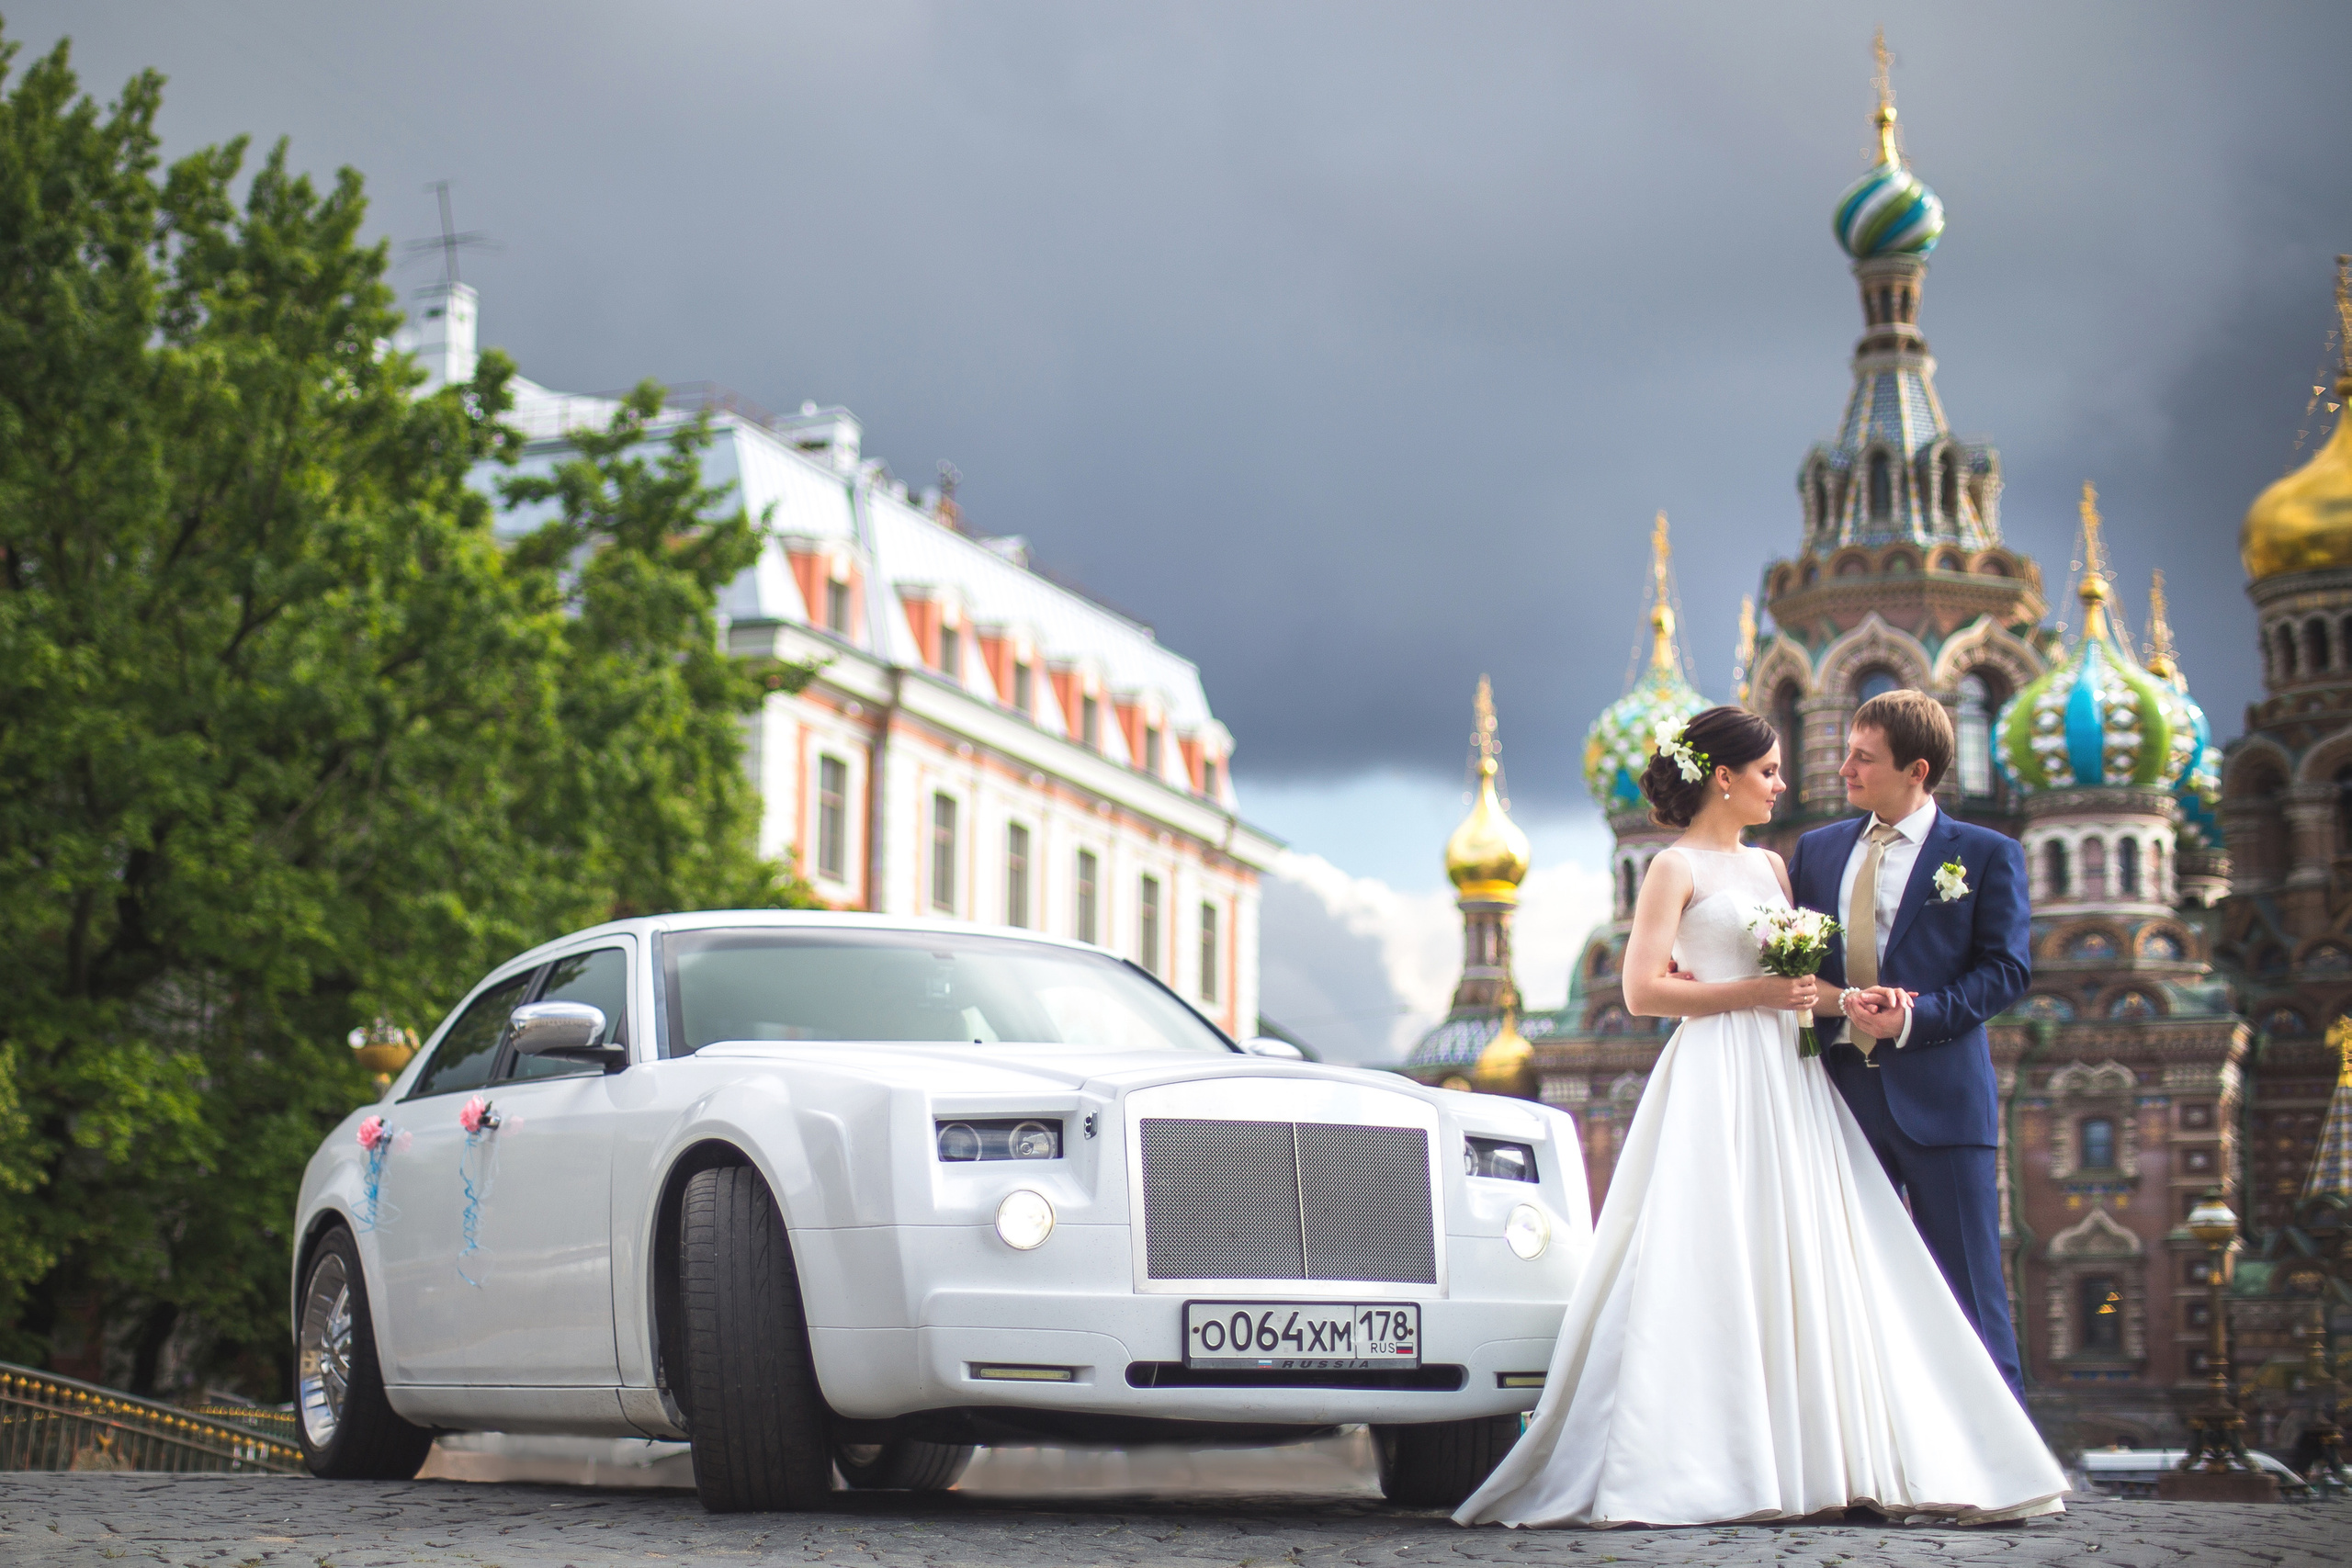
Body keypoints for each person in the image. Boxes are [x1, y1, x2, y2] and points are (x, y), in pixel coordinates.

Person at [1454, 705, 2064, 1529]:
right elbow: (1646, 991)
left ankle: (1977, 1463)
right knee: (1721, 1254)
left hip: (1807, 1080)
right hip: (1731, 1074)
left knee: (1855, 1274)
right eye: (1775, 771)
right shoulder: (1738, 861)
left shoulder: (1784, 867)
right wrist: (1759, 995)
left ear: (1916, 770)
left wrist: (1875, 1005)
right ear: (1724, 776)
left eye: (1858, 758)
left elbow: (1841, 980)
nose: (1813, 779)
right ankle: (1722, 1455)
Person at [1791, 689, 2032, 1402]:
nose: (1846, 770)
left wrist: (1917, 1017)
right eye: (1848, 754)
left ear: (1916, 770)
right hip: (1838, 1098)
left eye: (1864, 758)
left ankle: (2003, 1473)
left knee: (1969, 1292)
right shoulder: (1818, 849)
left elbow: (2007, 969)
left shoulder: (1988, 854)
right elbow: (1792, 958)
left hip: (1942, 1102)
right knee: (1852, 1291)